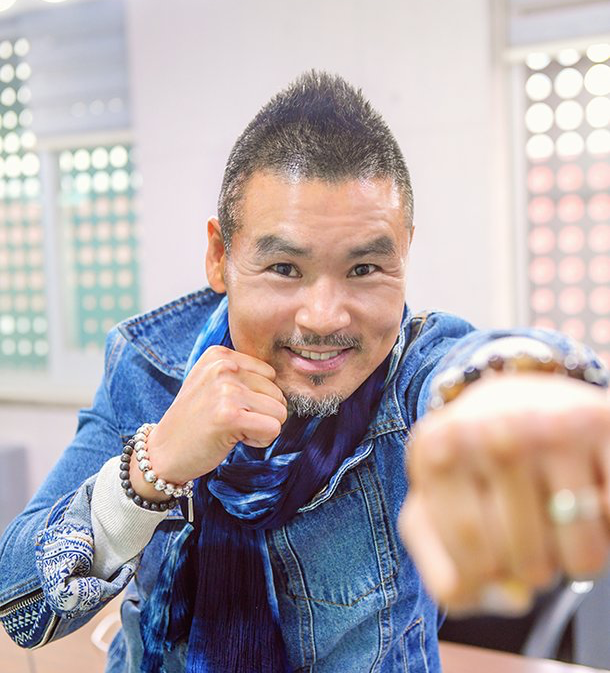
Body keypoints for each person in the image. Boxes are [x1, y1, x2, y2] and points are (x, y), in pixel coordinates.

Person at [0, 71, 608, 673]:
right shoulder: (149, 367)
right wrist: (153, 466)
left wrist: (518, 389)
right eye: (285, 268)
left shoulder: (410, 370)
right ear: (220, 255)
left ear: (404, 253)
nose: (323, 317)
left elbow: (466, 368)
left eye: (364, 269)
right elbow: (20, 609)